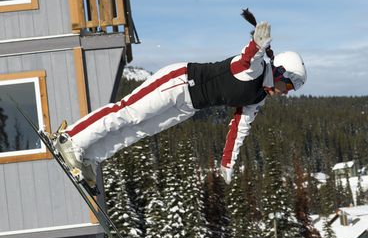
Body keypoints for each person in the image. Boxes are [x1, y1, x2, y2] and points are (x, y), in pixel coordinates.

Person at [54, 20, 307, 186]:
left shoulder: (258, 98)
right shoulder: (255, 69)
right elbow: (246, 58)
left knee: (139, 130)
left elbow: (239, 129)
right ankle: (71, 138)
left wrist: (227, 163)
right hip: (180, 82)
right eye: (287, 86)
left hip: (188, 107)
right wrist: (258, 44)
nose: (285, 93)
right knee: (129, 113)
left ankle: (88, 155)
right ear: (280, 72)